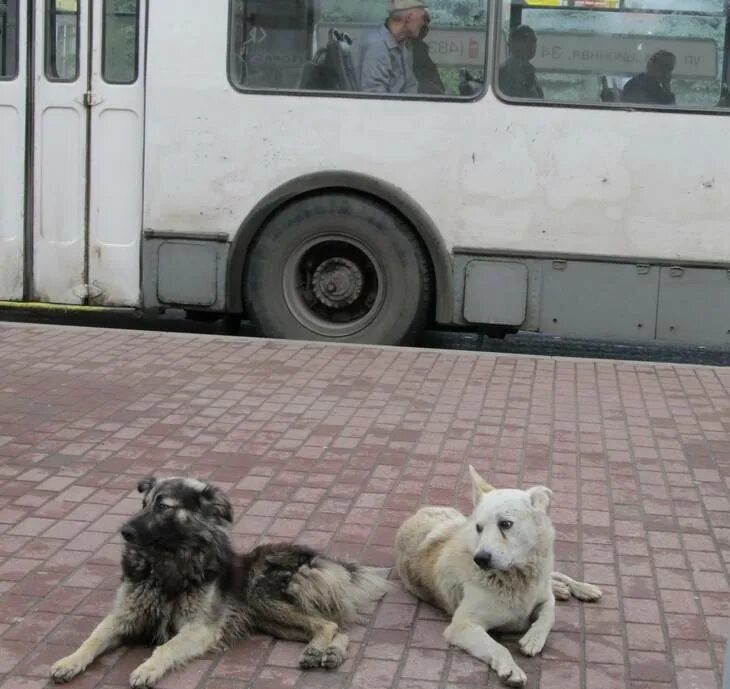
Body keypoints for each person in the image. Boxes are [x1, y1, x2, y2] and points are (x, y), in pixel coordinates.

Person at [353, 0, 429, 94]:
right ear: (409, 17)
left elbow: (410, 86)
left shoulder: (403, 45)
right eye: (423, 18)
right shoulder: (377, 45)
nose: (423, 23)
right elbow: (375, 97)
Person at [498, 25, 543, 99]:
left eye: (534, 41)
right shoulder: (510, 71)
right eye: (533, 40)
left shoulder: (527, 69)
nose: (535, 46)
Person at [412, 12, 445, 95]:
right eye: (424, 23)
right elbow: (423, 82)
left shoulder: (421, 48)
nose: (426, 28)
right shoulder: (413, 49)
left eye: (427, 24)